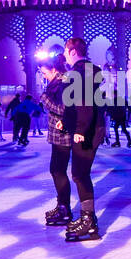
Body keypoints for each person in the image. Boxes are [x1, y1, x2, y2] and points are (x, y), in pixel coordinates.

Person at [60, 37, 106, 241]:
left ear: (71, 52)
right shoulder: (87, 70)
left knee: (80, 173)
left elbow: (85, 102)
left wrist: (79, 128)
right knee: (80, 173)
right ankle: (87, 217)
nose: (63, 56)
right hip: (88, 128)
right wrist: (67, 121)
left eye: (64, 51)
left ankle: (89, 221)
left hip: (86, 131)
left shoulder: (80, 72)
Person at [39, 53, 75, 226]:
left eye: (45, 73)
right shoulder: (56, 83)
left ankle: (65, 209)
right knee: (55, 170)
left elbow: (63, 109)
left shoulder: (62, 83)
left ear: (53, 70)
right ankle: (61, 205)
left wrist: (44, 99)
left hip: (63, 134)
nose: (44, 76)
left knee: (58, 170)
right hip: (58, 133)